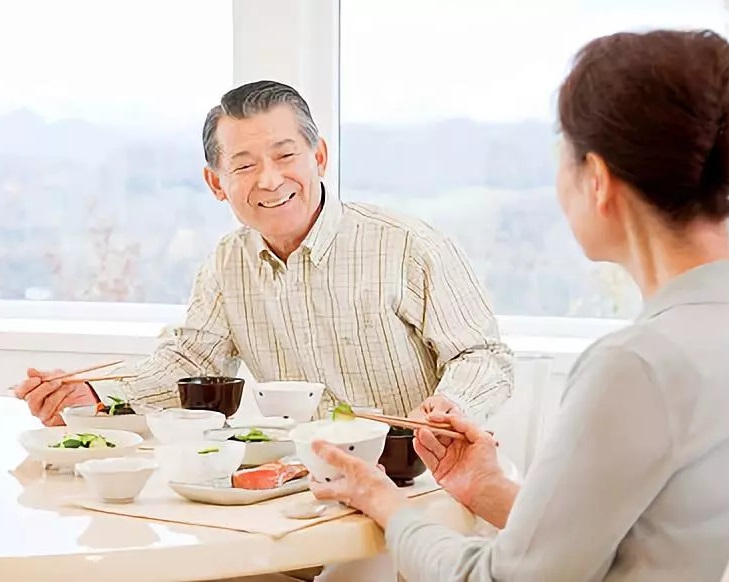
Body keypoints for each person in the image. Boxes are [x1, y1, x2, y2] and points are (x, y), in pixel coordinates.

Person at [309, 29, 729, 581]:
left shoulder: (639, 364)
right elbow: (638, 546)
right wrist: (489, 490)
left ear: (597, 179)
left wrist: (386, 503)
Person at [13, 81, 513, 430]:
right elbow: (190, 363)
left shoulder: (407, 245)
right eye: (245, 164)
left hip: (417, 482)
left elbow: (483, 356)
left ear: (319, 157)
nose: (270, 180)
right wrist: (97, 398)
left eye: (286, 155)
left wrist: (453, 405)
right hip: (302, 483)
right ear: (216, 183)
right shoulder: (227, 264)